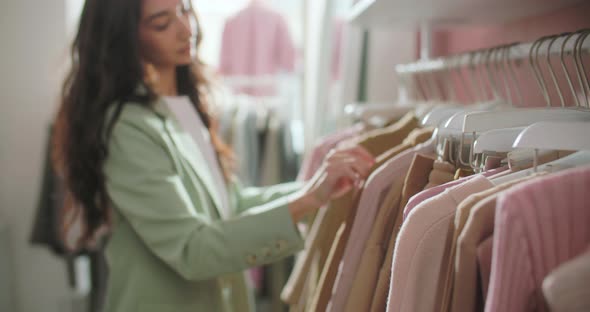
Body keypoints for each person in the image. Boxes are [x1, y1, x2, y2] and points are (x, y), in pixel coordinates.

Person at [52, 0, 375, 311]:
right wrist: (308, 200)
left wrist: (316, 190)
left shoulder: (184, 107)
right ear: (123, 39)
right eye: (162, 23)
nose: (185, 28)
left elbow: (230, 205)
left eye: (184, 10)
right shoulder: (128, 129)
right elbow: (193, 249)